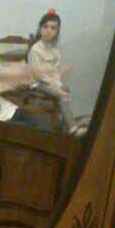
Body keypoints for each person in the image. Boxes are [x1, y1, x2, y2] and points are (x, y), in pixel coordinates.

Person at [28, 9, 87, 137]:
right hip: (37, 83)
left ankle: (62, 123)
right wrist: (55, 86)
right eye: (45, 27)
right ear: (40, 30)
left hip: (50, 82)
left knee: (64, 90)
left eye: (53, 28)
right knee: (60, 94)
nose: (49, 30)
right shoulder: (35, 49)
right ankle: (72, 128)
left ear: (57, 32)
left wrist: (59, 84)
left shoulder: (55, 50)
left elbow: (55, 72)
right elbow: (37, 74)